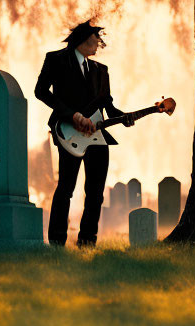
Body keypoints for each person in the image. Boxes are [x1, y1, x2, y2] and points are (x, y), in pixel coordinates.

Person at [34, 21, 133, 246]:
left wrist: (124, 117)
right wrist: (72, 115)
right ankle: (57, 241)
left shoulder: (101, 70)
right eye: (95, 39)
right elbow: (40, 91)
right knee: (66, 188)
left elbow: (108, 106)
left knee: (96, 192)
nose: (98, 43)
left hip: (98, 136)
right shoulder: (56, 59)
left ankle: (87, 241)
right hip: (68, 133)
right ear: (82, 40)